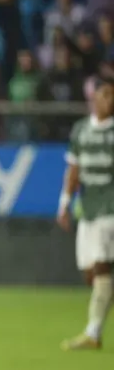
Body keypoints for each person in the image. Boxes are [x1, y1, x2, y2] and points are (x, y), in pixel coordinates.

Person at [57, 76, 114, 351]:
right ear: (94, 98)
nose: (110, 101)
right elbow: (74, 170)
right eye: (105, 95)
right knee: (91, 274)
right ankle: (94, 330)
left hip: (110, 208)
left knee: (103, 266)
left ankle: (93, 332)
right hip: (88, 208)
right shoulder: (80, 130)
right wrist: (64, 202)